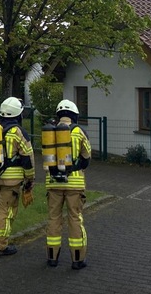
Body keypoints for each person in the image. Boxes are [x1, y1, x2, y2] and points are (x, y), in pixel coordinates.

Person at [0, 97, 35, 256]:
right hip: (11, 180)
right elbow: (28, 158)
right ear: (18, 114)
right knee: (6, 211)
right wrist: (30, 179)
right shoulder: (17, 132)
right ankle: (1, 245)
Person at [45, 99, 91, 269]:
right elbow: (87, 158)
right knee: (75, 219)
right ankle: (77, 260)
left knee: (53, 219)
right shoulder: (79, 131)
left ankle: (52, 258)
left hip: (53, 184)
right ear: (74, 115)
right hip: (74, 184)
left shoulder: (50, 132)